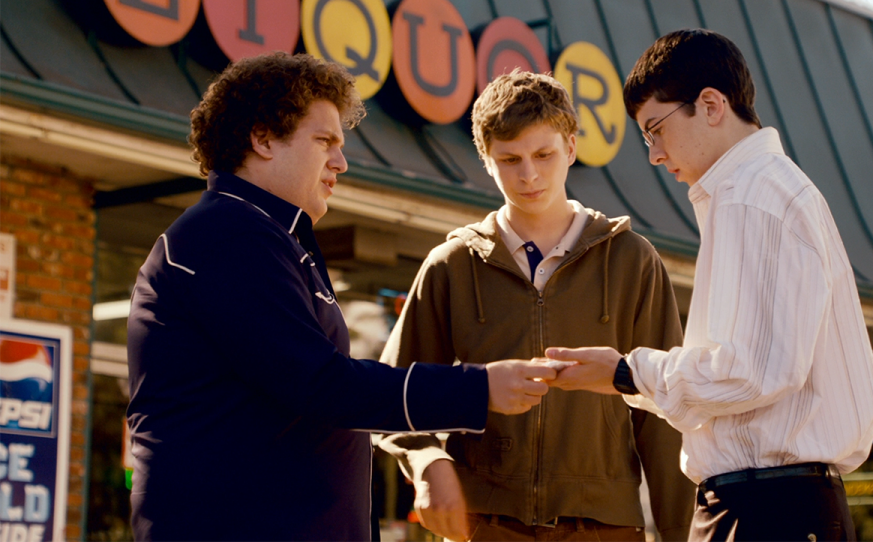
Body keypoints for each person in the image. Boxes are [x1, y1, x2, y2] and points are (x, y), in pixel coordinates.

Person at [125, 53, 557, 542]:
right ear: (263, 138)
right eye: (324, 141)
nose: (341, 161)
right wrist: (477, 390)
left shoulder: (271, 237)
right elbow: (320, 385)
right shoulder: (226, 235)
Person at [545, 29, 873, 541]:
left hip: (767, 508)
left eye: (655, 129)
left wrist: (625, 371)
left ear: (710, 104)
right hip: (779, 503)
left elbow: (753, 369)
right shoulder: (766, 190)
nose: (655, 155)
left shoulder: (752, 197)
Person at [379, 70, 695, 542]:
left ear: (570, 147)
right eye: (510, 159)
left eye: (543, 155)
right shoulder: (451, 266)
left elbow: (667, 413)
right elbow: (394, 393)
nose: (529, 175)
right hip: (484, 525)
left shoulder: (632, 260)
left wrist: (680, 533)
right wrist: (428, 461)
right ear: (486, 161)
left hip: (604, 527)